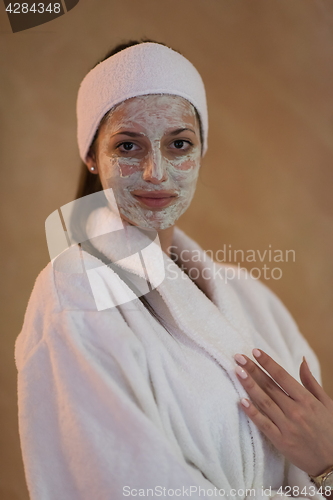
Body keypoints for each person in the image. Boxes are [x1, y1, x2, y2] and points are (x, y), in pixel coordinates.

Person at [15, 40, 333, 500]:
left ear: (202, 151)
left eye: (179, 144)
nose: (155, 172)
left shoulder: (253, 298)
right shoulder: (74, 296)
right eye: (128, 145)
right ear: (91, 155)